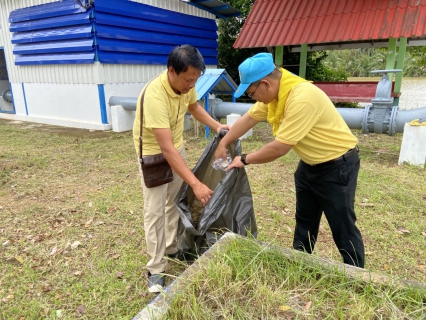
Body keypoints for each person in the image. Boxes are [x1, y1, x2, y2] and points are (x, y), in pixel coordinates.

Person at [215, 52, 365, 268]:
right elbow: (249, 118)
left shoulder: (301, 98)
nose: (252, 98)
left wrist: (244, 159)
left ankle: (356, 275)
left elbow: (279, 148)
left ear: (265, 83)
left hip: (337, 166)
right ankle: (299, 264)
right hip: (309, 165)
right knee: (305, 219)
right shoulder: (276, 94)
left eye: (251, 92)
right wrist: (223, 142)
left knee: (342, 225)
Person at [133, 45, 230, 293]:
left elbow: (194, 107)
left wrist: (217, 126)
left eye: (195, 80)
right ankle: (155, 268)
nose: (191, 85)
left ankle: (171, 247)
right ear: (172, 72)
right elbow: (166, 150)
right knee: (154, 211)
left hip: (177, 147)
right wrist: (196, 184)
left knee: (175, 201)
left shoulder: (187, 82)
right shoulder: (155, 96)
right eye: (188, 80)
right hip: (154, 154)